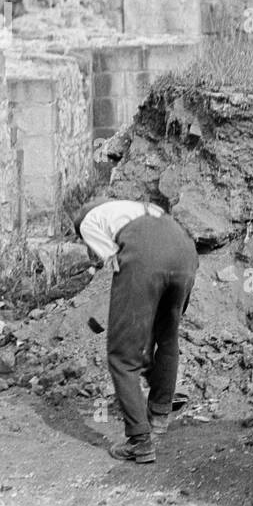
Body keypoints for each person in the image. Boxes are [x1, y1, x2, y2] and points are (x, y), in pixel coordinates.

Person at [72, 197, 199, 463]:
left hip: (146, 255)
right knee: (167, 337)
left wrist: (124, 327)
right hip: (185, 252)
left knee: (121, 355)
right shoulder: (131, 209)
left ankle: (139, 441)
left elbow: (114, 260)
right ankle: (160, 415)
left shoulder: (87, 222)